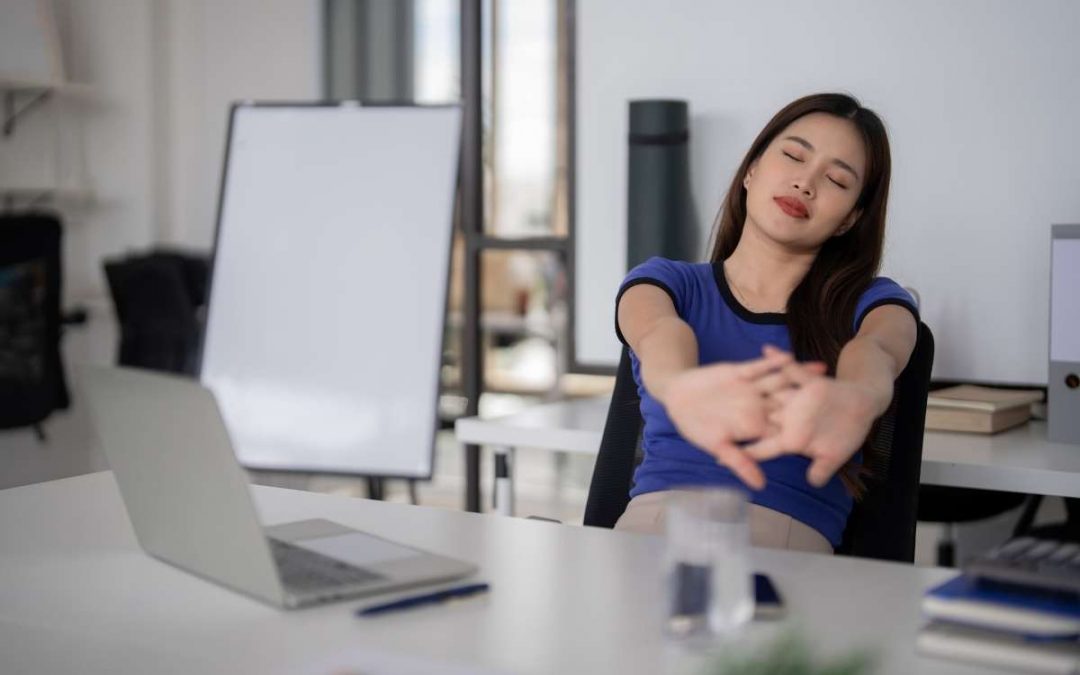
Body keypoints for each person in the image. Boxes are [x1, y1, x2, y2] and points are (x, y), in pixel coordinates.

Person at [614, 93, 919, 554]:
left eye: (836, 180)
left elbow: (878, 350)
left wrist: (857, 396)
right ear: (752, 169)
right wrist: (679, 387)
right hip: (654, 527)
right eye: (794, 155)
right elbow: (659, 334)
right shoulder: (666, 282)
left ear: (850, 220)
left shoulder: (873, 302)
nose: (806, 183)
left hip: (788, 543)